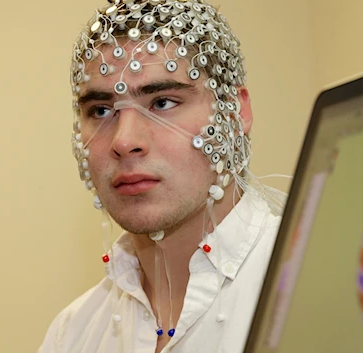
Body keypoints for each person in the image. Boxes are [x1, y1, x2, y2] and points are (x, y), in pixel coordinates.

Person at [39, 1, 288, 352]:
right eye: (100, 110)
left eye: (162, 103)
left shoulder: (312, 285)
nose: (125, 141)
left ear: (236, 112)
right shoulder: (72, 335)